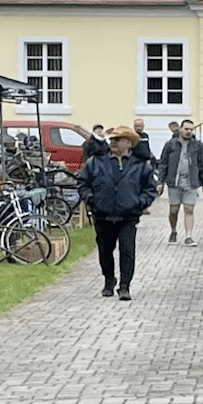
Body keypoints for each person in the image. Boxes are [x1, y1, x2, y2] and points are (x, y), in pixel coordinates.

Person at [77, 125, 157, 302]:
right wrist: (92, 200)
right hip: (103, 214)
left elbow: (150, 189)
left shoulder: (141, 165)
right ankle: (109, 280)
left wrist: (139, 203)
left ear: (129, 143)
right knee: (105, 251)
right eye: (112, 139)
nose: (113, 142)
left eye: (118, 139)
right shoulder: (96, 161)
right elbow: (83, 183)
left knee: (127, 251)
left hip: (128, 215)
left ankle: (125, 286)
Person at [160, 119, 203, 246]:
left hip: (191, 181)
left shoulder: (198, 146)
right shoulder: (170, 145)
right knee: (174, 210)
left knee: (189, 209)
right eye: (186, 129)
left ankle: (189, 236)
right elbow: (163, 163)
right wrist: (160, 181)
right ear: (180, 129)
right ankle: (173, 230)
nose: (189, 132)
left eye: (191, 129)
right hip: (174, 182)